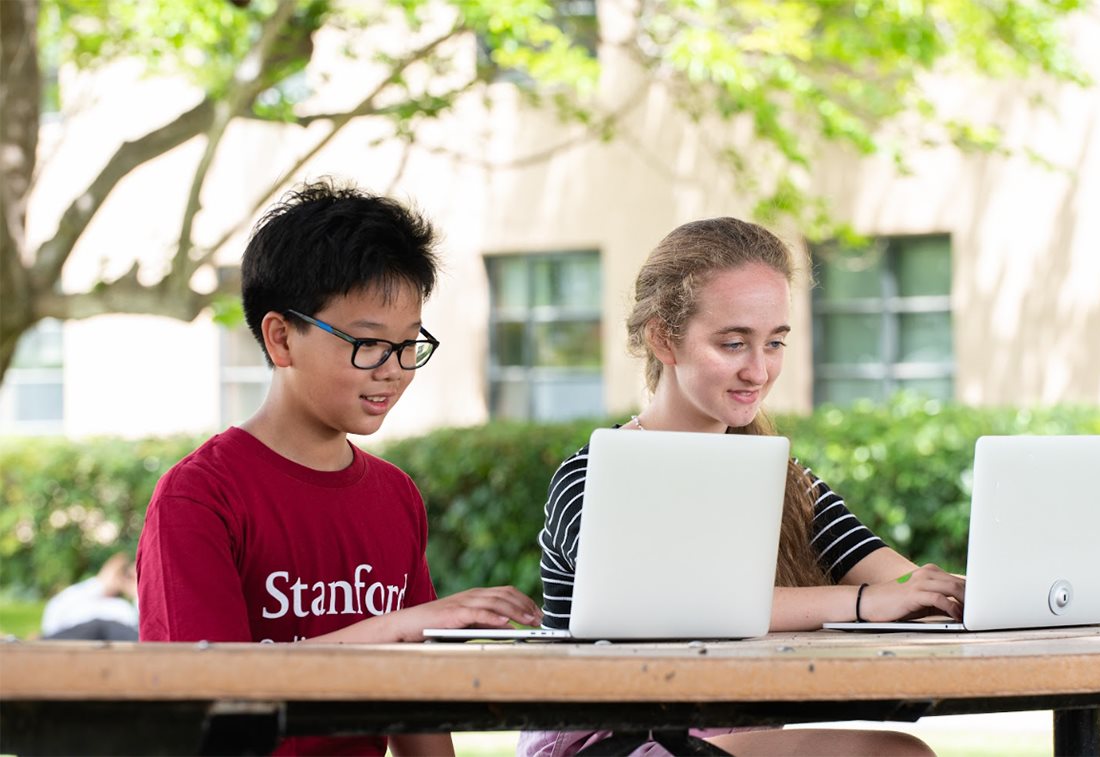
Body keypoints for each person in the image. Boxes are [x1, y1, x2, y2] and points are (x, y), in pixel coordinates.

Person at [520, 217, 965, 757]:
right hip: (612, 743)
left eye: (774, 343)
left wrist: (934, 589)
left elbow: (882, 567)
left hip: (721, 739)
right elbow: (683, 602)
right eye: (733, 343)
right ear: (663, 338)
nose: (758, 370)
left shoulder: (781, 478)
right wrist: (868, 602)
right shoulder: (591, 479)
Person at [136, 179, 541, 757]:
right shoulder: (200, 495)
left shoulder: (394, 495)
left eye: (409, 346)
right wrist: (395, 628)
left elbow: (416, 702)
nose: (394, 370)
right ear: (281, 338)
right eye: (369, 344)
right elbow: (210, 695)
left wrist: (412, 632)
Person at [41, 552, 139, 641]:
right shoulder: (79, 596)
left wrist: (137, 591)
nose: (123, 577)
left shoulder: (122, 608)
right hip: (67, 645)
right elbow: (52, 620)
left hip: (106, 652)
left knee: (101, 626)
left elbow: (138, 633)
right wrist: (101, 583)